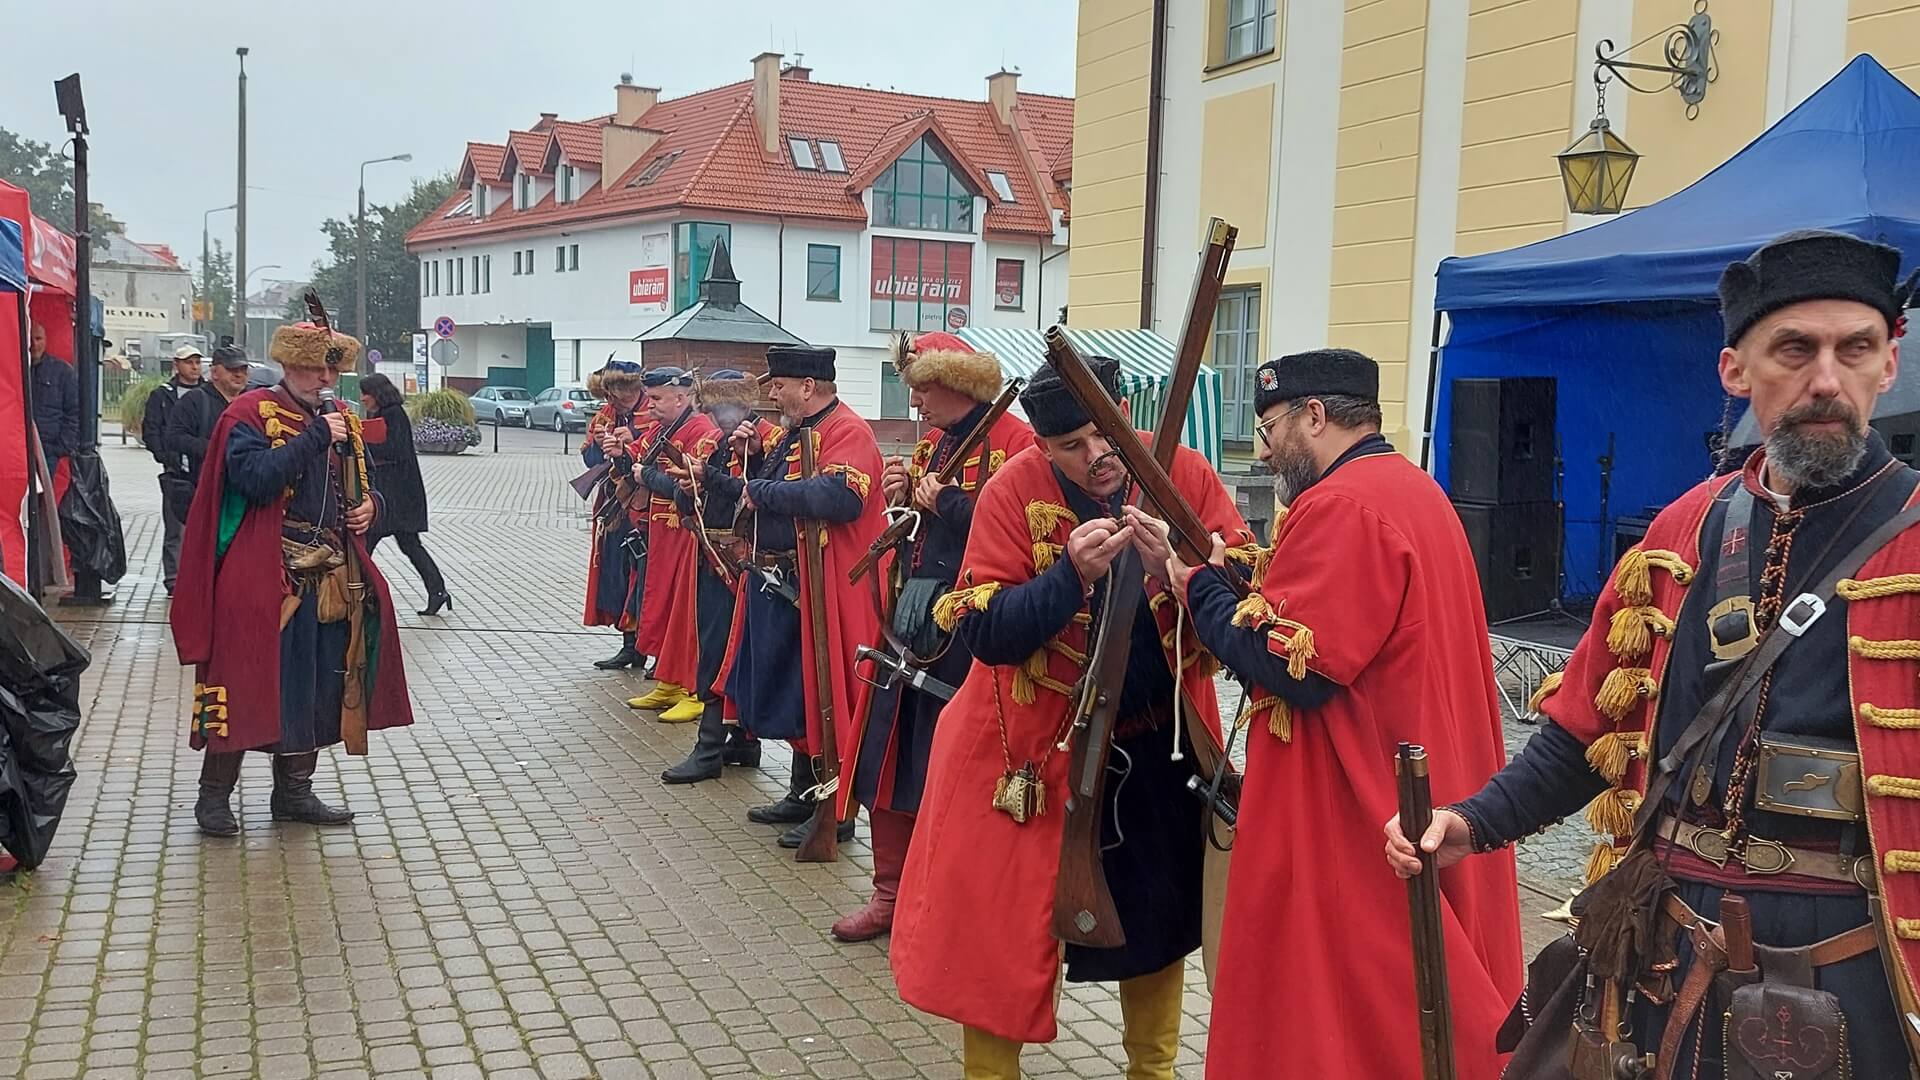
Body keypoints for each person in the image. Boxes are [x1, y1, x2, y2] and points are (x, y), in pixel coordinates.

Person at [1385, 230, 1920, 1078]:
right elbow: (1591, 726)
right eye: (1795, 348)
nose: (1826, 378)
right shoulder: (1685, 530)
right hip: (1670, 951)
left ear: (1888, 363)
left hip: (1858, 973)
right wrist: (1473, 821)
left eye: (1854, 348)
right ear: (1735, 371)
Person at [890, 360, 1256, 1079]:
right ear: (1042, 445)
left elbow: (1244, 587)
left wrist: (1185, 571)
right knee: (999, 944)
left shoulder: (1177, 462)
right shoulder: (1011, 489)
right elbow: (985, 634)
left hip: (1157, 742)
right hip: (1028, 755)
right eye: (1070, 446)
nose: (1095, 458)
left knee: (1158, 925)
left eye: (1103, 435)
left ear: (1123, 409)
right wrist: (1069, 578)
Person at [1168, 348, 1522, 1079]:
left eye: (1271, 430)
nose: (1266, 454)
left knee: (1349, 1013)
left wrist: (1195, 589)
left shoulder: (1338, 505)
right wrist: (1226, 570)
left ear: (1315, 416)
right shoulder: (1413, 490)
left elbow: (1293, 665)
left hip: (1356, 802)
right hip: (1421, 768)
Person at [169, 312, 415, 837]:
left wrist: (374, 507)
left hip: (327, 575)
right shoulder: (249, 414)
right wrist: (312, 438)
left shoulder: (341, 418)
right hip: (259, 576)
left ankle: (294, 793)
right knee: (240, 680)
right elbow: (255, 479)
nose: (324, 380)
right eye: (312, 369)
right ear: (286, 363)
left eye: (330, 370)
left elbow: (366, 484)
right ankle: (213, 797)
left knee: (316, 686)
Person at [832, 332, 1034, 943]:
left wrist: (947, 502)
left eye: (921, 386)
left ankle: (945, 900)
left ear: (955, 383)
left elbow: (1027, 535)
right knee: (890, 757)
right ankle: (890, 893)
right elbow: (919, 528)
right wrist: (905, 498)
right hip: (913, 613)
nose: (914, 400)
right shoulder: (937, 441)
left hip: (973, 630)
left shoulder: (1017, 442)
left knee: (951, 767)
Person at [718, 344, 886, 850]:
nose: (773, 393)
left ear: (808, 387)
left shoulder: (847, 431)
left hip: (825, 585)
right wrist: (741, 456)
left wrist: (763, 494)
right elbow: (762, 483)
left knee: (826, 691)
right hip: (789, 583)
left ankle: (834, 810)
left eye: (781, 385)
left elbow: (841, 498)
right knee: (799, 693)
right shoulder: (797, 431)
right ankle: (801, 791)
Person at [660, 370, 763, 783]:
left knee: (727, 654)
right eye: (717, 407)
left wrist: (708, 477)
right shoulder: (719, 444)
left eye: (729, 406)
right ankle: (734, 742)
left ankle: (714, 747)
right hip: (713, 554)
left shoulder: (761, 441)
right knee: (717, 651)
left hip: (741, 562)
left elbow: (752, 491)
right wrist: (690, 485)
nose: (722, 416)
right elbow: (709, 495)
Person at [626, 367, 717, 721]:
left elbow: (692, 487)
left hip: (686, 535)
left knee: (687, 613)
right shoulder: (663, 429)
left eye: (657, 398)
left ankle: (694, 687)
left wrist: (647, 475)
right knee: (662, 608)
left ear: (681, 397)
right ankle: (670, 680)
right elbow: (634, 460)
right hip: (663, 534)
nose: (649, 405)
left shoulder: (700, 431)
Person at [360, 373, 452, 616]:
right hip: (393, 493)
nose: (363, 398)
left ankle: (358, 593)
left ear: (377, 393)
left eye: (366, 393)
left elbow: (395, 449)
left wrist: (360, 442)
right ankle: (438, 591)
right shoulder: (381, 414)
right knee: (407, 545)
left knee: (368, 544)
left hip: (398, 495)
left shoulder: (393, 414)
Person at [581, 361, 652, 668]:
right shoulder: (605, 414)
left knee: (646, 578)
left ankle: (653, 649)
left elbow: (656, 453)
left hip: (645, 504)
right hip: (614, 506)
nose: (617, 397)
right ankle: (629, 645)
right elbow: (589, 460)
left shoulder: (653, 411)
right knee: (618, 575)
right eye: (613, 390)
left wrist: (632, 437)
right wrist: (598, 446)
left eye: (623, 389)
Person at [144, 344, 204, 594]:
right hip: (176, 472)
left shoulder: (206, 394)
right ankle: (174, 579)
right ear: (176, 365)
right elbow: (151, 429)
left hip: (203, 471)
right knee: (175, 528)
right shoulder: (162, 395)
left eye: (197, 362)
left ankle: (200, 578)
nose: (194, 367)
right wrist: (164, 455)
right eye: (188, 362)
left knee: (202, 528)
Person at [167, 343, 251, 493]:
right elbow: (175, 437)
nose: (239, 375)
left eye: (243, 370)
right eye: (232, 370)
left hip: (242, 488)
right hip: (203, 486)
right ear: (214, 373)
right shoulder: (194, 400)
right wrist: (214, 449)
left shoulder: (253, 402)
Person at [28, 322, 80, 481]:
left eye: (38, 338)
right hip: (18, 446)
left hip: (48, 449)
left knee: (43, 498)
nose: (34, 344)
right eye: (30, 338)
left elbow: (74, 411)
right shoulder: (13, 368)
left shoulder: (62, 372)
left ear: (45, 340)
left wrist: (60, 447)